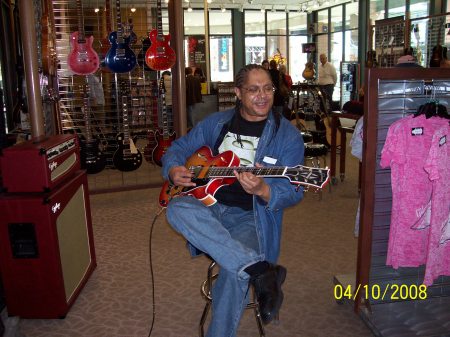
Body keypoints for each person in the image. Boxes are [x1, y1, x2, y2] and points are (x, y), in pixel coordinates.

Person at [162, 64, 305, 337]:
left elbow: (294, 189)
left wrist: (264, 189)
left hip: (252, 216)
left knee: (232, 272)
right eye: (253, 89)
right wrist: (172, 168)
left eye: (268, 89)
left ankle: (246, 273)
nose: (262, 96)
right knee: (176, 208)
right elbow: (179, 149)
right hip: (208, 208)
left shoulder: (287, 136)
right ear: (238, 93)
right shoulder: (216, 124)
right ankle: (261, 270)